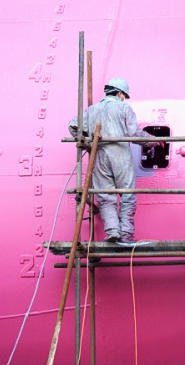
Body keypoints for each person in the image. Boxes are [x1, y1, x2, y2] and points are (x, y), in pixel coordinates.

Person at [68, 77, 163, 244]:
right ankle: (126, 235)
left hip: (98, 155)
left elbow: (73, 125)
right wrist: (154, 140)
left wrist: (86, 142)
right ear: (120, 93)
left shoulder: (91, 110)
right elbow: (134, 134)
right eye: (124, 95)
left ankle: (112, 231)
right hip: (119, 154)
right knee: (127, 194)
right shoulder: (123, 107)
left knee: (105, 195)